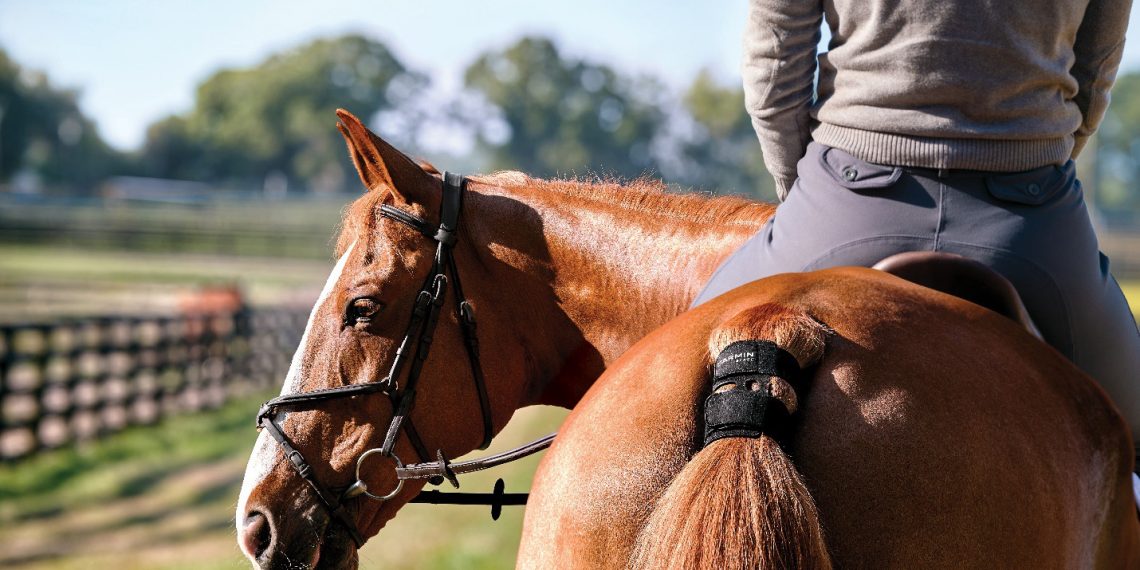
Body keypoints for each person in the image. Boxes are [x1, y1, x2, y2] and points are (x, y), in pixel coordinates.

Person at [692, 0, 1140, 481]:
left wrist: (802, 189)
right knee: (1132, 432)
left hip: (847, 201)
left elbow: (775, 59)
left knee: (677, 383)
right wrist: (1030, 158)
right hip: (1028, 219)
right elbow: (1093, 72)